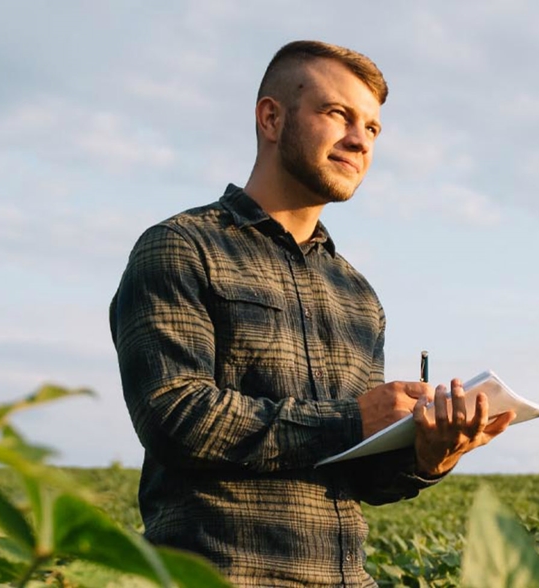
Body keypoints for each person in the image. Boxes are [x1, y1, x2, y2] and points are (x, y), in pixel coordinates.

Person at [109, 40, 513, 586]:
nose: (359, 140)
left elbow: (359, 474)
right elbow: (174, 416)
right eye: (337, 114)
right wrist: (354, 419)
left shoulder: (356, 293)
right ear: (272, 118)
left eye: (371, 128)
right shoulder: (182, 248)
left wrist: (426, 455)